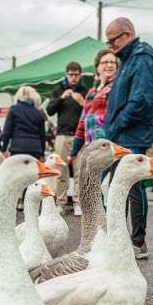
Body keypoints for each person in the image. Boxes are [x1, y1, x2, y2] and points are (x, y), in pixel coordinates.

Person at [104, 17, 153, 259]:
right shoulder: (128, 60)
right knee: (117, 188)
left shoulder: (141, 59)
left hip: (132, 134)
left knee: (134, 188)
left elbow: (140, 101)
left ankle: (138, 242)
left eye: (112, 40)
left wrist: (116, 125)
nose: (110, 45)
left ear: (126, 35)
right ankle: (120, 240)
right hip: (122, 133)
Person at [46, 62, 87, 216]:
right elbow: (50, 110)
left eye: (76, 74)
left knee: (79, 172)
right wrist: (61, 98)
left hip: (80, 136)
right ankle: (61, 203)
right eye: (71, 74)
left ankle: (78, 203)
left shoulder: (85, 90)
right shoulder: (58, 90)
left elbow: (91, 111)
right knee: (60, 171)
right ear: (66, 74)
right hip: (62, 135)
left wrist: (82, 103)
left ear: (80, 75)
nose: (74, 77)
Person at [2, 85, 46, 211]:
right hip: (35, 147)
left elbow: (7, 131)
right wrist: (42, 152)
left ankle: (17, 200)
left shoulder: (14, 110)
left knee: (17, 175)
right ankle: (28, 201)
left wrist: (4, 148)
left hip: (18, 147)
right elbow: (42, 135)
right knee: (31, 176)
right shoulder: (38, 113)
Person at [71, 49, 118, 159]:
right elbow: (83, 121)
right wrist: (75, 149)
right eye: (105, 62)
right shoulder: (91, 92)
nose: (109, 65)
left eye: (113, 62)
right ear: (97, 67)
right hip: (92, 146)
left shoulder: (117, 87)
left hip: (110, 146)